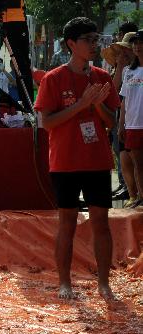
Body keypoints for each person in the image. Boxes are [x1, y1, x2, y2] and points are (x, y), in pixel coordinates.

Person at [33, 17, 120, 301]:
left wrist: (95, 105)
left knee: (101, 223)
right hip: (66, 161)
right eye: (88, 40)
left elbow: (111, 122)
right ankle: (64, 282)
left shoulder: (102, 77)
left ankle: (104, 283)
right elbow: (47, 123)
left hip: (96, 160)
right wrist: (81, 104)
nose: (94, 45)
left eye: (96, 39)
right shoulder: (54, 78)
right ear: (71, 44)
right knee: (67, 222)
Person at [118, 31, 143, 209]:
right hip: (133, 124)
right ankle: (140, 197)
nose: (137, 46)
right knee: (138, 165)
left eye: (141, 43)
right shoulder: (129, 71)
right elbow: (124, 100)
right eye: (135, 43)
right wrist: (121, 125)